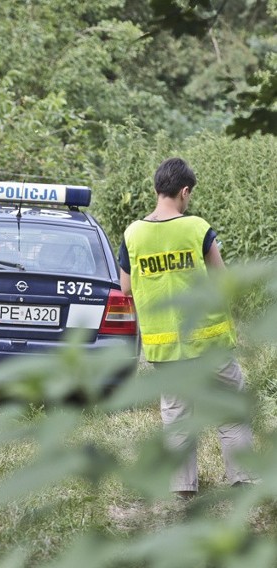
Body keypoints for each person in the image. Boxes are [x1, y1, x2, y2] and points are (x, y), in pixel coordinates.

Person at [118, 157, 256, 499]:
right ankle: (243, 479)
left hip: (164, 346)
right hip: (207, 340)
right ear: (184, 192)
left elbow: (125, 288)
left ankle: (182, 488)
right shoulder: (196, 228)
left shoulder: (133, 234)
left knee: (177, 414)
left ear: (155, 190)